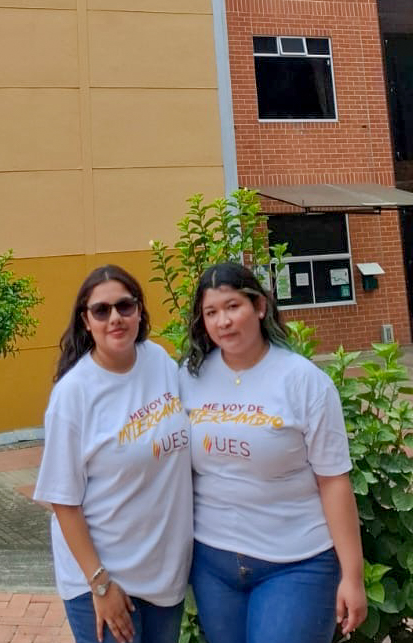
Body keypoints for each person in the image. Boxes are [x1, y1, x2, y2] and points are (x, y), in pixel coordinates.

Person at [180, 262, 367, 643]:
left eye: (233, 307)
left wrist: (353, 575)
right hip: (213, 564)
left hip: (296, 563)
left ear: (260, 307)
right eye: (211, 312)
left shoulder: (304, 381)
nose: (223, 322)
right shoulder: (189, 376)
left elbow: (333, 481)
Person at [33, 265, 193, 643]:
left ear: (140, 311)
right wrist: (100, 583)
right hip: (102, 578)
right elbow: (62, 500)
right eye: (101, 311)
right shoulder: (73, 395)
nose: (115, 318)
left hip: (164, 574)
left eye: (125, 306)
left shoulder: (160, 362)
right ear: (86, 321)